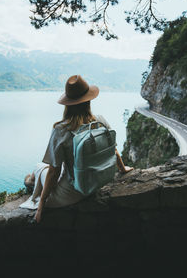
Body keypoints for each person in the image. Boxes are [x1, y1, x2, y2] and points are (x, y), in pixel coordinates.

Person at [20, 75, 133, 223]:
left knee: (40, 167)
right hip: (96, 183)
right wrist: (123, 169)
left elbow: (54, 172)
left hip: (73, 192)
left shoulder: (61, 130)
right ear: (88, 100)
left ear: (67, 104)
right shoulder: (100, 121)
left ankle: (30, 181)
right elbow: (113, 150)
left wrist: (41, 205)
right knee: (45, 169)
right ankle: (31, 180)